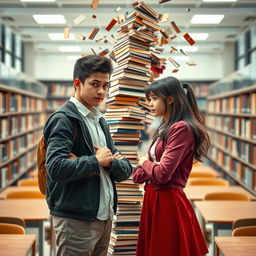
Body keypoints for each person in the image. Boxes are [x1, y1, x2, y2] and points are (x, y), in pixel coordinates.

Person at [44, 55, 132, 256]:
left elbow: (125, 168)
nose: (101, 91)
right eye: (95, 84)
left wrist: (108, 163)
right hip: (76, 220)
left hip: (104, 217)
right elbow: (56, 168)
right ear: (77, 83)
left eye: (105, 85)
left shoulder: (100, 121)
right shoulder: (64, 120)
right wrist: (96, 161)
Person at [132, 76, 210, 256]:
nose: (150, 104)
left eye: (154, 98)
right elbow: (137, 176)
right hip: (154, 198)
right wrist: (152, 166)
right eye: (148, 99)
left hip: (168, 201)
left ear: (170, 99)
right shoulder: (164, 129)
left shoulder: (181, 129)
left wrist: (144, 161)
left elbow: (162, 174)